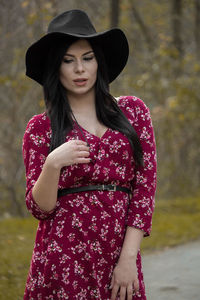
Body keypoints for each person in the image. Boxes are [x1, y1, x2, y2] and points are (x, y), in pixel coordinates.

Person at [22, 9, 157, 300]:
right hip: (61, 257)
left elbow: (144, 189)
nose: (79, 69)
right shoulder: (40, 127)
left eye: (87, 58)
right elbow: (40, 209)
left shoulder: (133, 111)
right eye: (68, 61)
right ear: (55, 68)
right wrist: (52, 163)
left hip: (117, 252)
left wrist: (128, 258)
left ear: (99, 62)